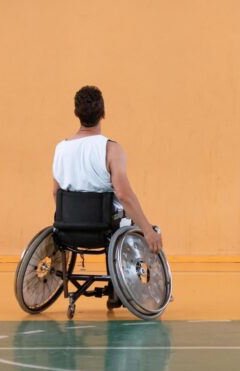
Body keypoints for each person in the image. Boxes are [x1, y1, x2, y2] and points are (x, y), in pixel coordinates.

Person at [52, 85, 163, 253]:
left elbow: (56, 192)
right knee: (150, 228)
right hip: (106, 227)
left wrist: (72, 218)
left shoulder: (61, 149)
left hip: (69, 227)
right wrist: (148, 230)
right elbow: (124, 195)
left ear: (77, 114)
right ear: (103, 113)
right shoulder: (110, 149)